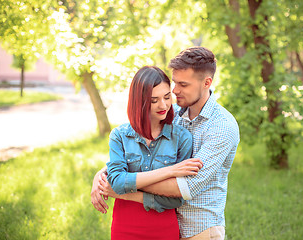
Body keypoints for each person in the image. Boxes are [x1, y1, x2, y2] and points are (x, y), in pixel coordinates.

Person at [92, 47, 240, 240]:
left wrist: (123, 187)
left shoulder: (222, 126)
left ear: (206, 83)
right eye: (175, 83)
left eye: (183, 85)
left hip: (200, 229)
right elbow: (137, 155)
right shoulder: (175, 112)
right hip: (169, 224)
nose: (175, 90)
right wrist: (104, 173)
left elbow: (183, 187)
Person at [98, 65, 204, 240]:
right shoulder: (120, 136)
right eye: (154, 100)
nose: (163, 105)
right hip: (125, 227)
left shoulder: (182, 138)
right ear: (139, 101)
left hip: (163, 227)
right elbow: (116, 182)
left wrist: (125, 191)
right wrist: (170, 171)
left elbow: (177, 199)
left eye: (167, 97)